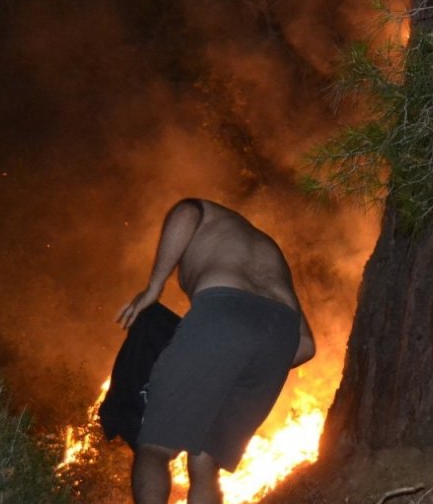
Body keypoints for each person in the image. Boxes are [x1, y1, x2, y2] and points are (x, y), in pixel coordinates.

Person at [116, 198, 315, 504]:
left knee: (155, 446)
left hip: (224, 309)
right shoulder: (267, 250)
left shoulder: (207, 214)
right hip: (281, 331)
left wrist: (154, 287)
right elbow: (305, 345)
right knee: (205, 462)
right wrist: (241, 367)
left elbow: (186, 211)